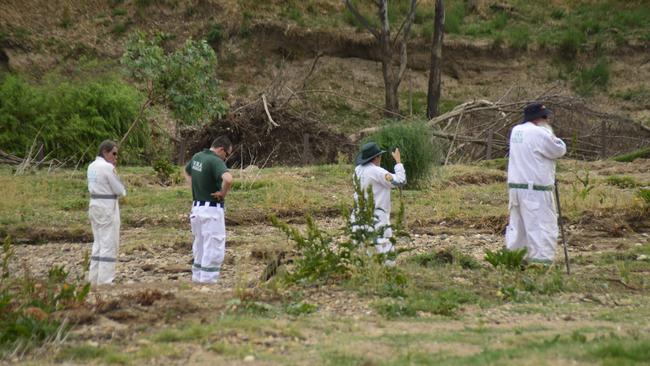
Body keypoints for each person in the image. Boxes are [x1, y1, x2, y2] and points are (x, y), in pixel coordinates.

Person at [505, 103, 567, 264]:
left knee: (518, 227)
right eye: (545, 116)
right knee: (542, 225)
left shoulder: (516, 131)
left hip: (516, 187)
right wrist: (550, 132)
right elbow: (559, 149)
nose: (547, 120)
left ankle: (515, 259)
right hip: (536, 189)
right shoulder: (540, 133)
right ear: (539, 118)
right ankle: (541, 262)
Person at [184, 136, 234, 283]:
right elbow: (229, 179)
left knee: (199, 246)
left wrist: (195, 185)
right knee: (213, 247)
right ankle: (208, 282)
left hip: (196, 209)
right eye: (227, 154)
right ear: (221, 149)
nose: (226, 158)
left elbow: (186, 172)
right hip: (211, 210)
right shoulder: (215, 161)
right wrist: (223, 193)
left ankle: (197, 279)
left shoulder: (197, 157)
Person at [353, 142, 407, 257]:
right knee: (384, 251)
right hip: (376, 217)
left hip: (358, 216)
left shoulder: (357, 170)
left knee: (361, 252)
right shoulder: (377, 172)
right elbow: (400, 181)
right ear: (377, 157)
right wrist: (398, 162)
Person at [87, 140, 126, 285]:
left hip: (94, 205)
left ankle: (94, 278)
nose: (116, 157)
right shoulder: (107, 168)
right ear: (105, 152)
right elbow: (119, 189)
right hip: (106, 207)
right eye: (114, 154)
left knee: (98, 243)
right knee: (109, 244)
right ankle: (105, 281)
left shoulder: (91, 166)